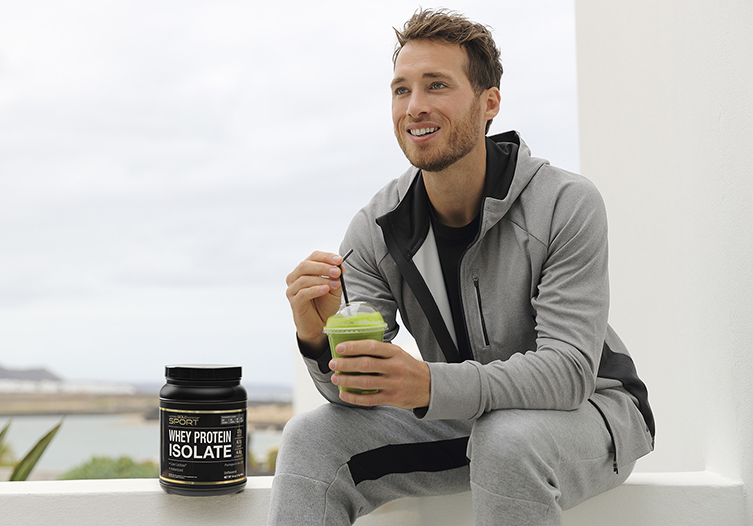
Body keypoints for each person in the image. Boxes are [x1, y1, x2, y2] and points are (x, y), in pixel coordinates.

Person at [271, 8, 655, 526]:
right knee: (310, 437)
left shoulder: (566, 202)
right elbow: (356, 391)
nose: (415, 106)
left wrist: (430, 385)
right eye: (401, 89)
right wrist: (317, 336)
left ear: (489, 103)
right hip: (469, 418)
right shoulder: (377, 228)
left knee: (508, 438)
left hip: (594, 411)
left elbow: (568, 372)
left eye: (437, 85)